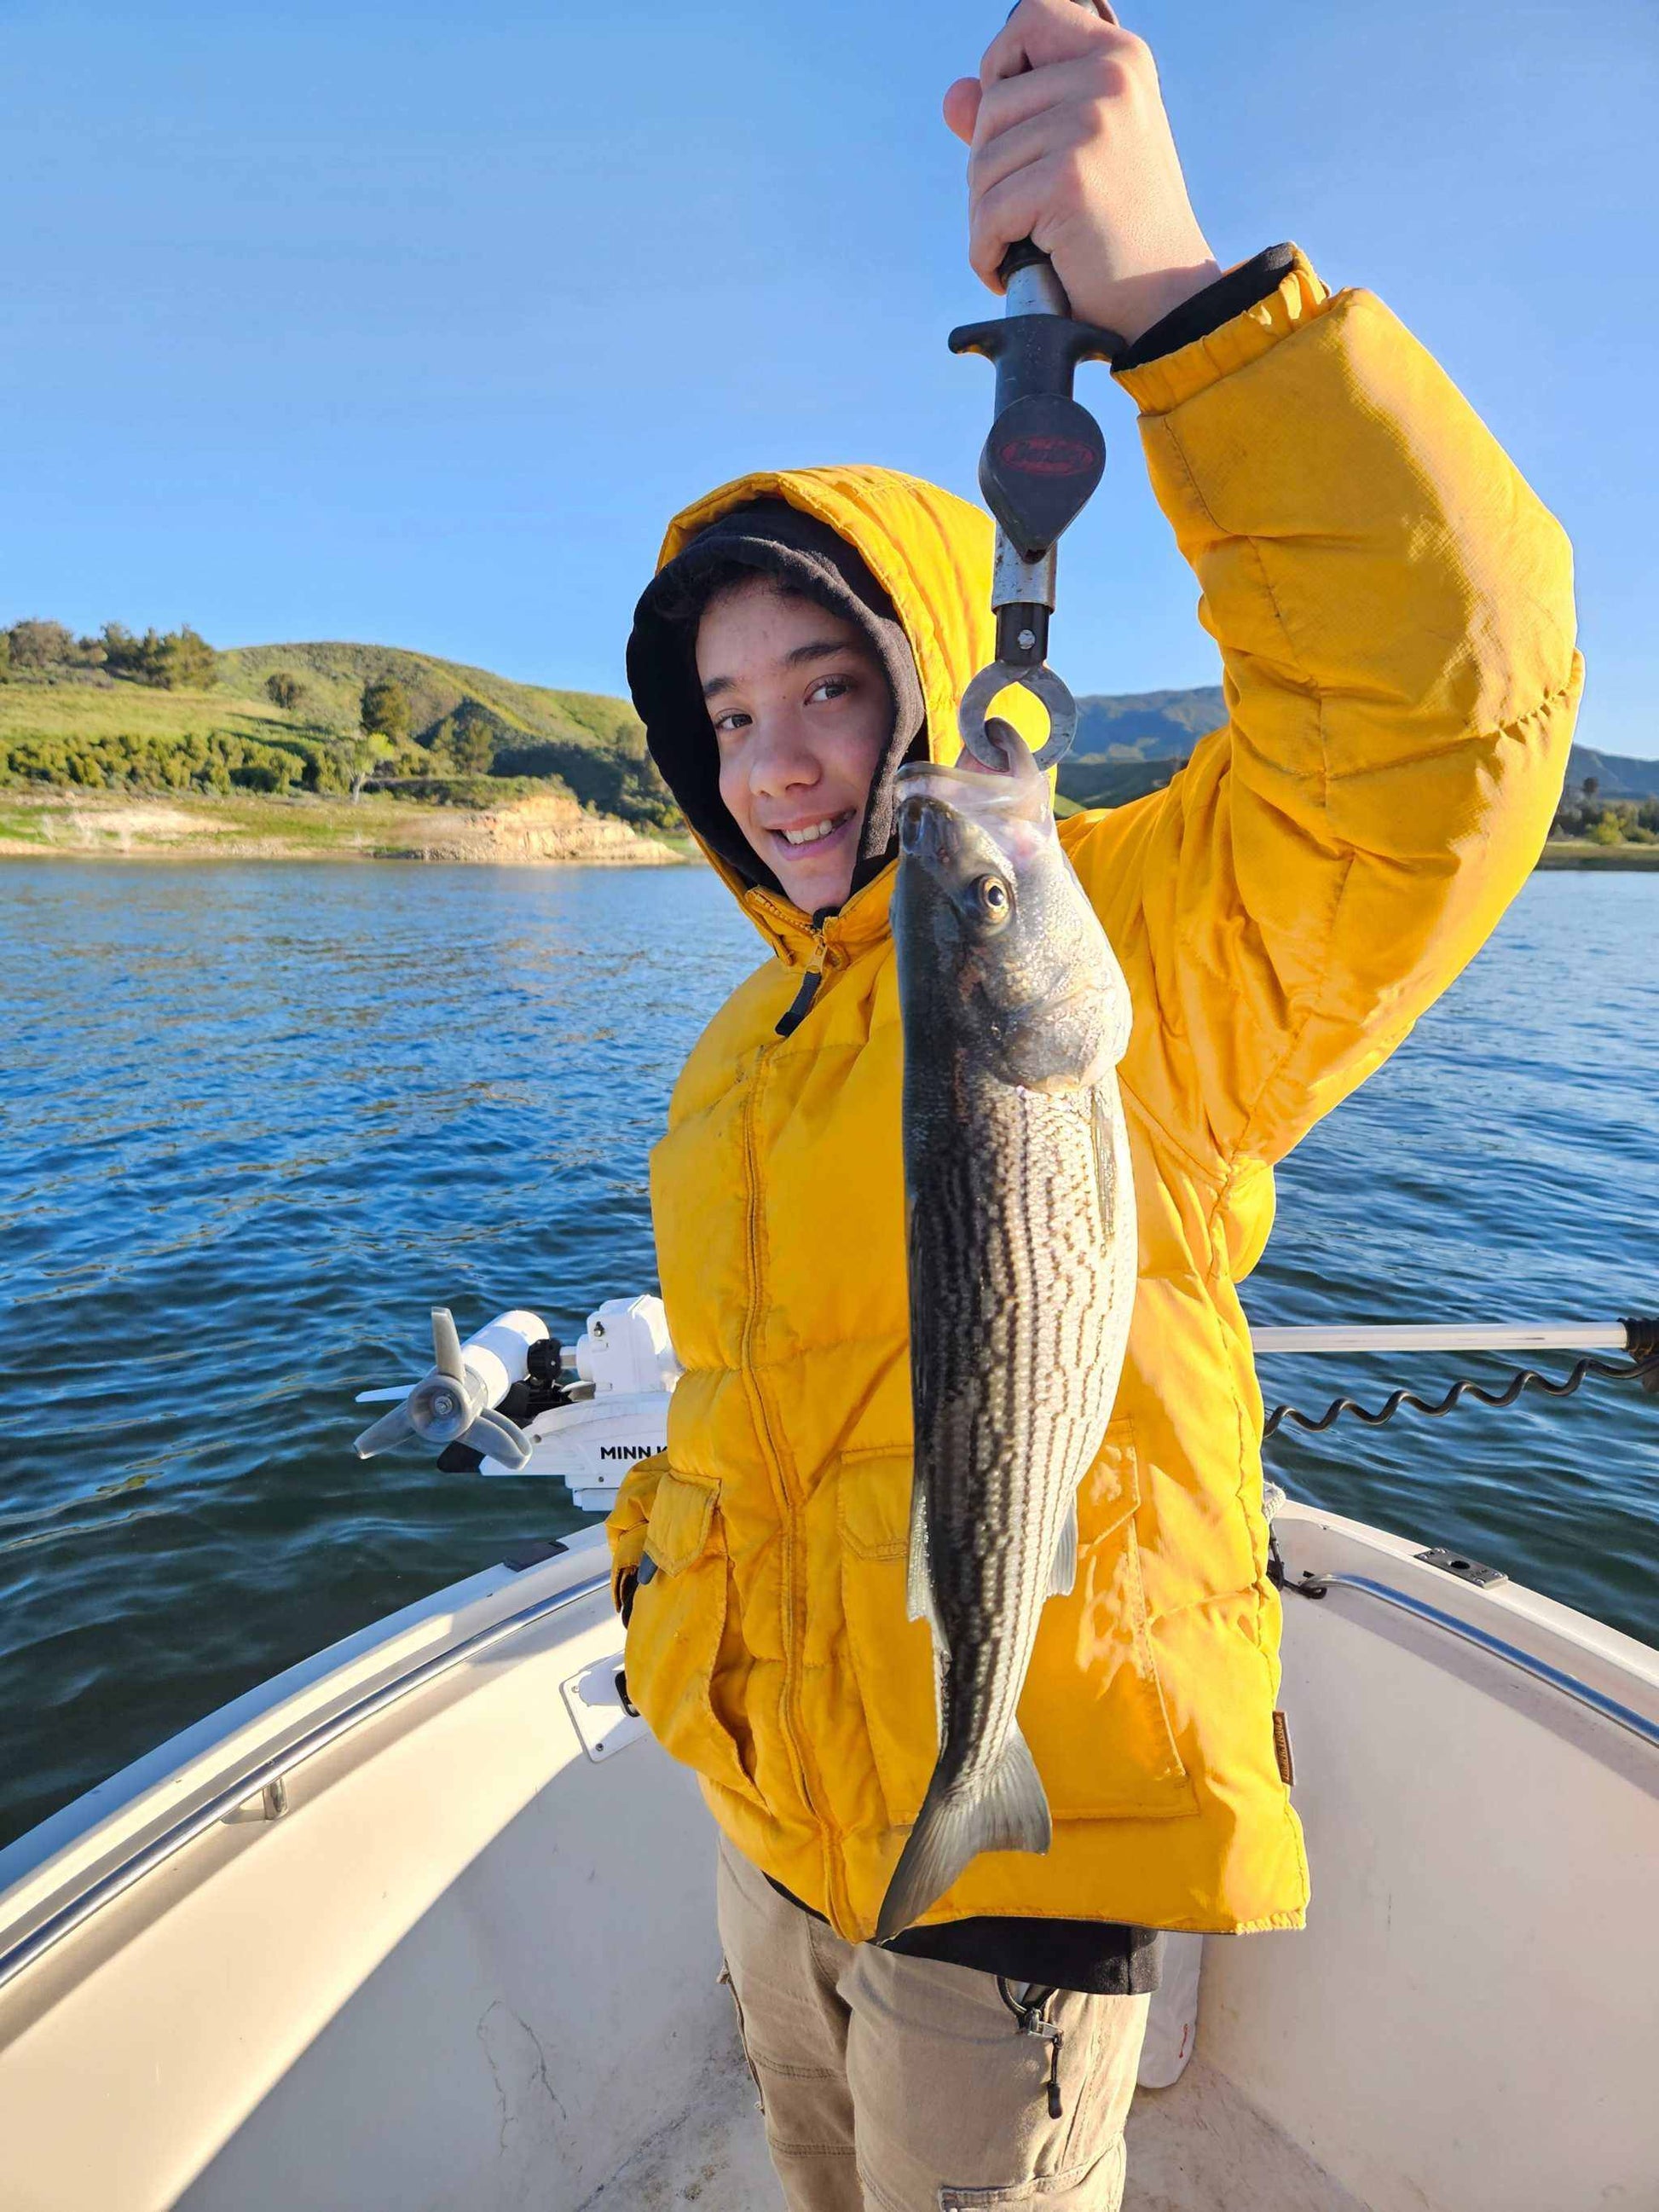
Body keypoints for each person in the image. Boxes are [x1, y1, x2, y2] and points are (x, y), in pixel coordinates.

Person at [606, 3, 1582, 2204]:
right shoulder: (748, 1045)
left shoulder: (1119, 929)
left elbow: (1429, 732)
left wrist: (1183, 317)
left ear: (938, 682)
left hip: (1022, 1837)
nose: (776, 761)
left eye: (832, 684)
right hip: (773, 1806)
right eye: (727, 709)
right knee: (808, 2164)